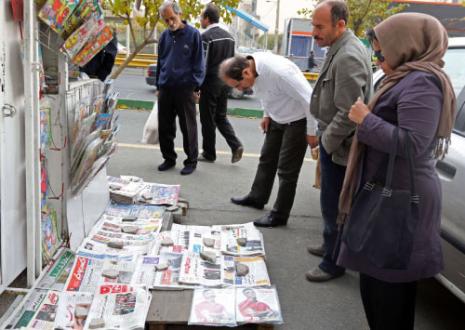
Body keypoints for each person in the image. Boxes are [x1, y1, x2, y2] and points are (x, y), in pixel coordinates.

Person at [337, 13, 455, 330]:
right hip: (389, 193)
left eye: (381, 52)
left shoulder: (423, 82)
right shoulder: (405, 77)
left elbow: (414, 143)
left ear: (407, 46)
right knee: (379, 288)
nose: (378, 59)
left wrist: (366, 120)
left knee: (387, 296)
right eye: (375, 52)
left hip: (397, 198)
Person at [305, 0, 373, 282]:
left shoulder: (347, 56)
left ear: (340, 24)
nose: (313, 32)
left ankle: (333, 262)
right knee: (329, 201)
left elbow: (349, 112)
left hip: (340, 145)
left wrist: (327, 142)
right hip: (335, 142)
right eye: (313, 25)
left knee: (335, 204)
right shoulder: (340, 48)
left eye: (319, 27)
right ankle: (329, 246)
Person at [219, 53, 318, 227]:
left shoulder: (280, 73)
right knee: (266, 159)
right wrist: (266, 115)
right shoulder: (251, 66)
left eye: (238, 85)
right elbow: (264, 93)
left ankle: (279, 215)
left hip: (298, 120)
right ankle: (257, 197)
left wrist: (311, 131)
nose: (239, 90)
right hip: (276, 117)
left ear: (246, 73)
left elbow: (310, 100)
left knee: (287, 170)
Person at [155, 0, 205, 175]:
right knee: (165, 127)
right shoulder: (164, 36)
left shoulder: (193, 35)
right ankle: (169, 158)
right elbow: (160, 62)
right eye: (166, 20)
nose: (169, 23)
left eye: (172, 18)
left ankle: (191, 161)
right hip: (166, 88)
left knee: (188, 127)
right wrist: (158, 85)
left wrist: (196, 86)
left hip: (185, 89)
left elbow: (199, 62)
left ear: (180, 14)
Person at [199, 3, 243, 163]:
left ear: (207, 19)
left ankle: (209, 153)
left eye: (201, 17)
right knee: (221, 117)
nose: (200, 20)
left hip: (210, 83)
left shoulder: (206, 37)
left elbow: (202, 64)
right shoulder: (230, 37)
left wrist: (197, 86)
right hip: (225, 84)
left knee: (207, 119)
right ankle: (236, 145)